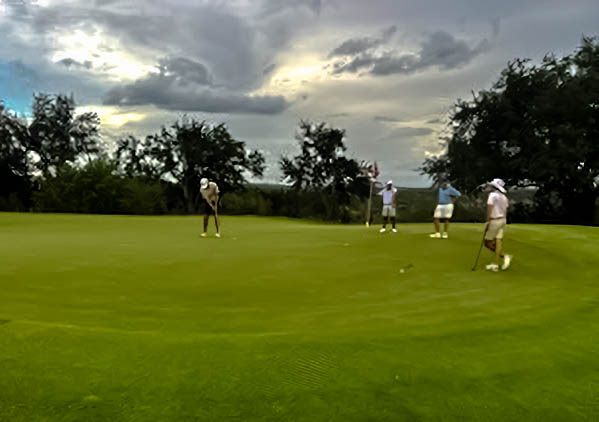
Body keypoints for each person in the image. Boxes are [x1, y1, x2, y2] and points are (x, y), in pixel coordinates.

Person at [484, 178, 512, 271]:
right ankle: (495, 263)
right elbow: (505, 210)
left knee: (487, 242)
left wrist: (488, 221)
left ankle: (503, 256)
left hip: (494, 220)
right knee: (498, 240)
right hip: (502, 220)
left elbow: (489, 208)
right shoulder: (504, 197)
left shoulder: (492, 195)